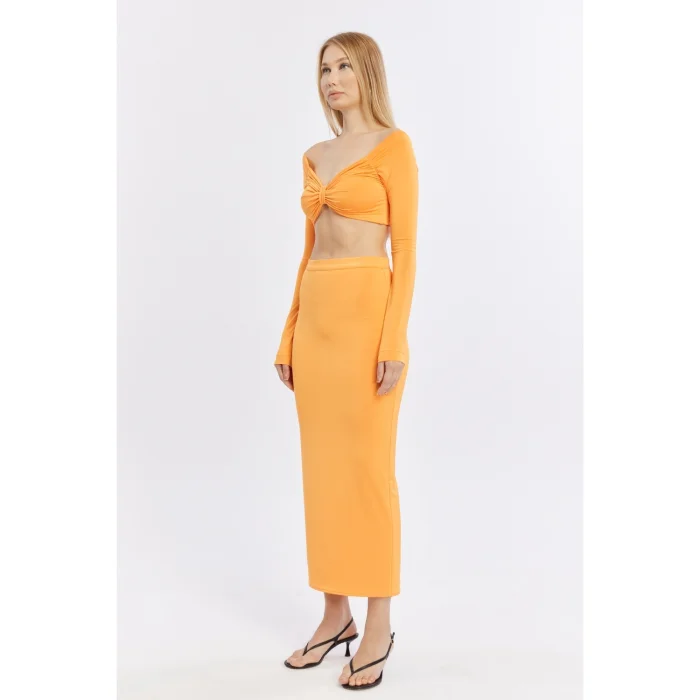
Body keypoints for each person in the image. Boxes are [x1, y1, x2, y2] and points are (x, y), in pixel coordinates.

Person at [273, 31, 419, 691]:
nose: (331, 78)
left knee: (368, 473)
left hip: (367, 317)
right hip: (317, 319)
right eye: (324, 68)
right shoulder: (314, 155)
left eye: (343, 67)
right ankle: (335, 616)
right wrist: (288, 334)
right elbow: (309, 251)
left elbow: (405, 252)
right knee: (323, 472)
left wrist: (394, 341)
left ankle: (378, 622)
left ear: (367, 74)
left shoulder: (394, 146)